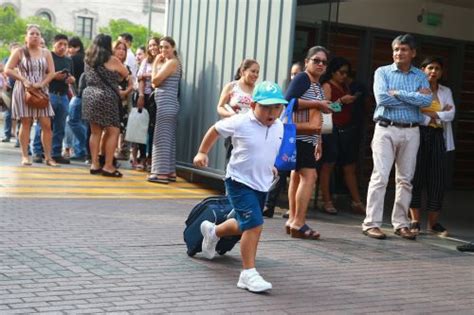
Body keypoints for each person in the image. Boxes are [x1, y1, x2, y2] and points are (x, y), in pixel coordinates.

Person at [194, 81, 286, 293]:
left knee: (244, 224)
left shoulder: (279, 126)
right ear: (253, 105)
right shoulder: (240, 121)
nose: (271, 112)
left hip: (262, 184)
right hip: (238, 182)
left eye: (276, 107)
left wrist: (270, 165)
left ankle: (213, 231)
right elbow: (215, 129)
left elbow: (267, 149)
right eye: (266, 107)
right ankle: (248, 274)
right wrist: (202, 152)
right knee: (254, 224)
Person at [362, 34, 432, 240]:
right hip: (385, 128)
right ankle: (371, 223)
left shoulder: (420, 75)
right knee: (380, 177)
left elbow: (427, 100)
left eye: (403, 49)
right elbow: (382, 97)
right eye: (396, 49)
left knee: (405, 180)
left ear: (413, 53)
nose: (398, 53)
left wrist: (398, 94)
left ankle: (401, 224)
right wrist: (413, 98)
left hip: (411, 130)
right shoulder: (382, 72)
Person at [285, 46, 332, 239]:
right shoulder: (302, 78)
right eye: (316, 60)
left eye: (324, 62)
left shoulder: (317, 85)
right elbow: (288, 101)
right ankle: (298, 222)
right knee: (309, 177)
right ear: (307, 62)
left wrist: (318, 141)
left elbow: (317, 115)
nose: (320, 64)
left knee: (297, 177)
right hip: (300, 137)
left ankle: (293, 220)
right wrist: (317, 104)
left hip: (309, 138)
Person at [409, 57, 455, 237]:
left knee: (437, 179)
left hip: (438, 136)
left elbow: (451, 114)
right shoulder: (416, 89)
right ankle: (414, 220)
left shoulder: (446, 90)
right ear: (422, 70)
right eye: (430, 68)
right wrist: (439, 114)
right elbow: (415, 112)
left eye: (437, 69)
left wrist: (431, 113)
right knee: (416, 176)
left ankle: (433, 223)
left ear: (441, 73)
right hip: (419, 134)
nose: (433, 72)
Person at [5, 25, 57, 166]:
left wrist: (42, 83)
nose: (35, 36)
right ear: (26, 37)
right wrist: (24, 80)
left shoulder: (46, 52)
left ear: (41, 38)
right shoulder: (19, 51)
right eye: (32, 34)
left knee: (46, 124)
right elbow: (7, 69)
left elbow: (51, 72)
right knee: (26, 122)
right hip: (23, 90)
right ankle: (25, 156)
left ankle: (48, 157)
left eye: (37, 34)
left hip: (41, 91)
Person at [319, 57, 364, 215]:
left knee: (349, 167)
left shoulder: (344, 85)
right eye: (341, 72)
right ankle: (327, 201)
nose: (344, 75)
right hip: (333, 129)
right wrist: (341, 101)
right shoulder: (327, 85)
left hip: (345, 129)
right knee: (328, 166)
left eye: (347, 73)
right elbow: (326, 108)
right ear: (333, 72)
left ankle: (357, 202)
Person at [82, 34, 129, 177]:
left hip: (90, 95)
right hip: (107, 97)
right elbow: (125, 73)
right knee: (113, 132)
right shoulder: (112, 60)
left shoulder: (88, 59)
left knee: (95, 132)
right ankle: (108, 166)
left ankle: (94, 163)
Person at [264, 61, 303, 219]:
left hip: (302, 137)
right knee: (280, 169)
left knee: (297, 174)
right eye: (292, 74)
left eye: (297, 74)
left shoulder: (306, 92)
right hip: (287, 136)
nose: (294, 77)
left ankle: (293, 209)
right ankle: (269, 205)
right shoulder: (288, 93)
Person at [32, 34, 75, 164]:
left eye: (65, 45)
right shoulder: (46, 55)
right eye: (60, 44)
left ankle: (55, 153)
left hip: (63, 96)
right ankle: (38, 152)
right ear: (54, 44)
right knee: (43, 125)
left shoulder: (69, 60)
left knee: (60, 126)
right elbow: (40, 74)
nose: (63, 47)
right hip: (48, 94)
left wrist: (71, 79)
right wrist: (53, 76)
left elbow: (72, 76)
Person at [147, 36, 181, 184]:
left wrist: (155, 63)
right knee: (167, 139)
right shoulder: (171, 62)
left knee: (161, 139)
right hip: (167, 105)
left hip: (166, 105)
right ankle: (170, 172)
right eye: (161, 47)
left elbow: (154, 81)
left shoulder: (172, 62)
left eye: (166, 47)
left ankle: (160, 173)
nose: (162, 50)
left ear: (173, 48)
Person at [216, 59, 260, 163]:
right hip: (234, 130)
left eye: (257, 72)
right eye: (253, 71)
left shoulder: (258, 90)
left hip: (251, 131)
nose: (256, 75)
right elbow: (220, 107)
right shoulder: (232, 86)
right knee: (232, 161)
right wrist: (231, 115)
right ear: (243, 71)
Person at [134, 38, 160, 170]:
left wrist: (146, 75)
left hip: (158, 97)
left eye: (155, 45)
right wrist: (141, 95)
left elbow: (160, 76)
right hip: (145, 96)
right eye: (150, 46)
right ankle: (142, 157)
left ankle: (151, 158)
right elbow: (139, 78)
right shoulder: (146, 61)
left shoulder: (163, 60)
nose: (152, 48)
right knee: (142, 128)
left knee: (153, 130)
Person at [67, 37, 87, 161]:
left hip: (78, 94)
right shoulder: (87, 58)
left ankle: (86, 144)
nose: (68, 50)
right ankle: (80, 151)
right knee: (82, 121)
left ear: (77, 47)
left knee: (73, 121)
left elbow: (71, 77)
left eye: (70, 47)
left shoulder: (73, 59)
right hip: (88, 94)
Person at [1, 42, 20, 144]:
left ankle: (19, 139)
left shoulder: (23, 60)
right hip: (8, 89)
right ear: (11, 50)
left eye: (18, 48)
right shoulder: (6, 60)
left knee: (21, 114)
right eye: (14, 49)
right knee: (8, 113)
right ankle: (7, 134)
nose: (16, 50)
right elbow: (3, 72)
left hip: (21, 89)